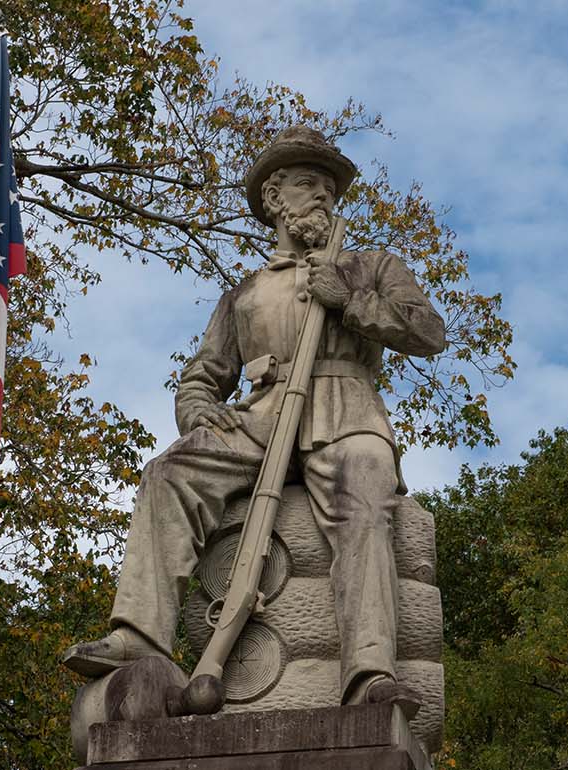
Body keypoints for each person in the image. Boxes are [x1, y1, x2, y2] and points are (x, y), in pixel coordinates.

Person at [61, 126, 445, 714]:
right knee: (168, 472)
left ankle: (369, 674)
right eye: (307, 183)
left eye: (329, 187)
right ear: (274, 198)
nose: (322, 196)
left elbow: (427, 331)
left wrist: (348, 301)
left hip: (345, 414)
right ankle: (138, 637)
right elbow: (203, 375)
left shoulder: (369, 267)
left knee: (367, 498)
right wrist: (198, 412)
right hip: (261, 418)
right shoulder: (242, 294)